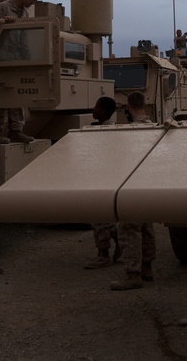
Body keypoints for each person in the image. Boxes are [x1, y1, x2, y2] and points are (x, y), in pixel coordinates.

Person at [111, 91, 156, 290]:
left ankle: (132, 274)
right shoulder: (155, 128)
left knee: (129, 229)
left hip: (132, 187)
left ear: (129, 106)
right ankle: (147, 268)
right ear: (144, 105)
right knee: (147, 228)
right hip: (148, 186)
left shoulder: (129, 132)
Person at [0, 0, 41, 144]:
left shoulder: (25, 14)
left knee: (18, 96)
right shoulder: (3, 8)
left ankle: (16, 130)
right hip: (1, 59)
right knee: (2, 97)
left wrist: (28, 62)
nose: (34, 2)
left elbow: (24, 39)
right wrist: (3, 22)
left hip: (17, 60)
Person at [84, 95, 121, 269]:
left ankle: (103, 254)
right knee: (106, 218)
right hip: (108, 180)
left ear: (104, 111)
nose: (93, 109)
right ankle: (119, 242)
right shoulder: (114, 129)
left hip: (99, 181)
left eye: (97, 107)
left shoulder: (101, 132)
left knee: (98, 218)